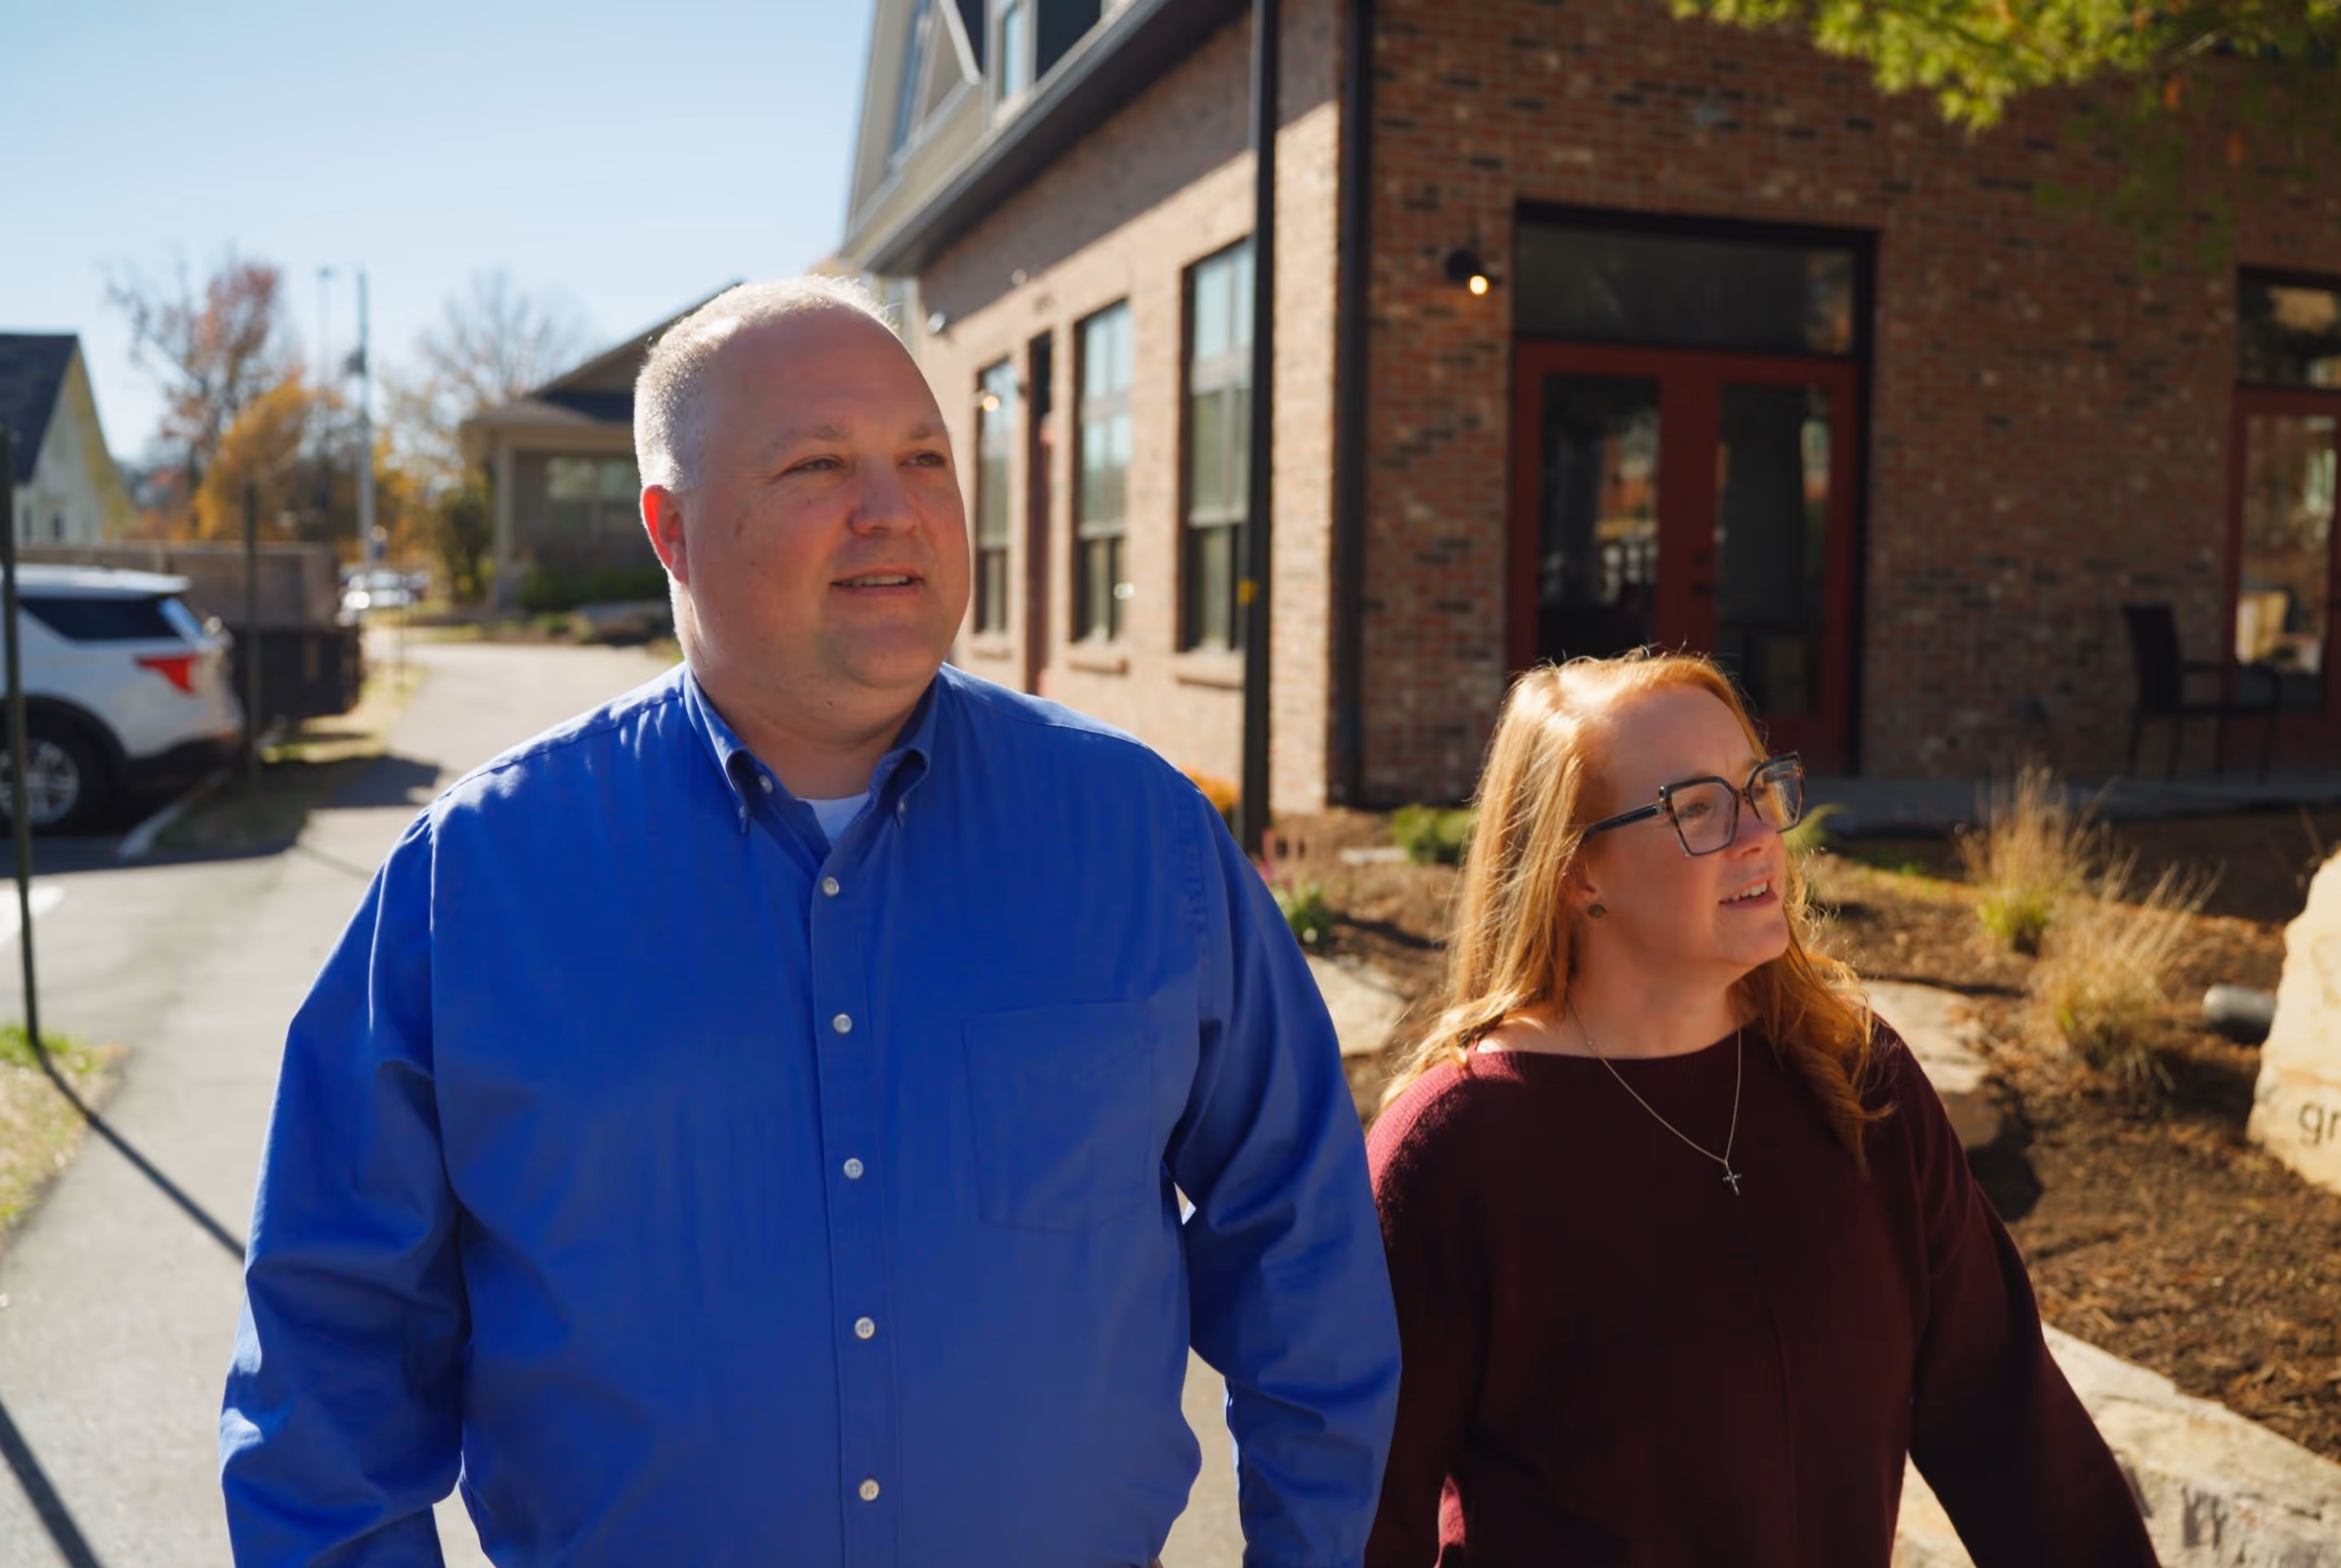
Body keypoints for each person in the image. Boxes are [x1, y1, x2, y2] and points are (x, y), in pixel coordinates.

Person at [220, 276, 1399, 1566]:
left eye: (924, 457)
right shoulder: (476, 882)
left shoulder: (1146, 841)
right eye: (818, 463)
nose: (891, 507)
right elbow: (328, 1366)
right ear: (671, 530)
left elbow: (1309, 1263)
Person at [1364, 652, 2156, 1567]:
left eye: (1760, 789)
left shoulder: (1860, 1085)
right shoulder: (1452, 1154)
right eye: (1697, 807)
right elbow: (1359, 1519)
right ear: (1579, 872)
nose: (1758, 836)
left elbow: (2013, 1434)